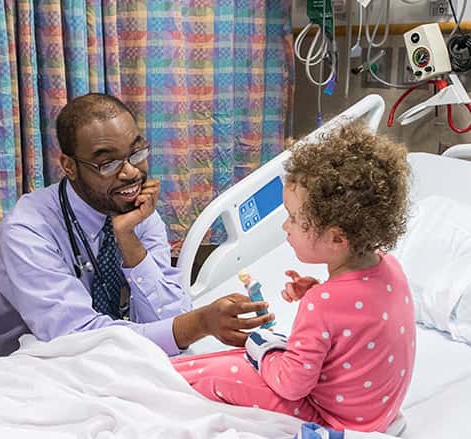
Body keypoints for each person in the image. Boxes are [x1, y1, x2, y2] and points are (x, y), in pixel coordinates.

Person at [0, 93, 274, 358]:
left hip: (114, 350)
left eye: (136, 153)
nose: (130, 173)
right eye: (108, 163)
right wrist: (200, 324)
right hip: (22, 361)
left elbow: (169, 316)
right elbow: (78, 339)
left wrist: (129, 241)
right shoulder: (27, 232)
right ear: (69, 166)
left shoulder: (134, 210)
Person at [171, 123, 415, 433]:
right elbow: (357, 324)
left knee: (224, 371)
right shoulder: (390, 268)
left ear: (338, 238)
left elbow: (291, 386)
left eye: (294, 219)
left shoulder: (322, 305)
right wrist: (319, 290)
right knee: (237, 358)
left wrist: (263, 350)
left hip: (331, 418)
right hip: (377, 412)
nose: (285, 226)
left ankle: (160, 379)